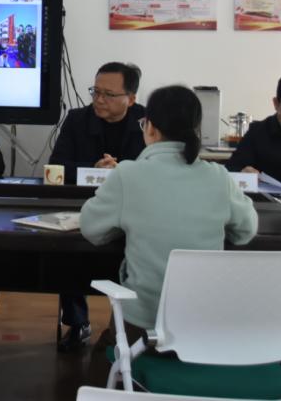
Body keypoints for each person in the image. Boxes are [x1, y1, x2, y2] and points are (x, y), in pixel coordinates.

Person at [80, 85, 258, 335]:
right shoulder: (219, 176)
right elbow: (246, 231)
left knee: (103, 352)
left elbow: (91, 229)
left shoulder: (128, 174)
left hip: (144, 322)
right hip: (203, 324)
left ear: (150, 127)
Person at [48, 61, 146, 351]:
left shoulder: (147, 122)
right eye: (96, 91)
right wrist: (93, 169)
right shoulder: (77, 119)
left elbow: (154, 167)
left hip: (134, 210)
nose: (99, 100)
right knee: (68, 252)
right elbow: (57, 165)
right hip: (84, 206)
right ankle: (78, 322)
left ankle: (129, 325)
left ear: (131, 98)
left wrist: (122, 170)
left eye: (108, 94)